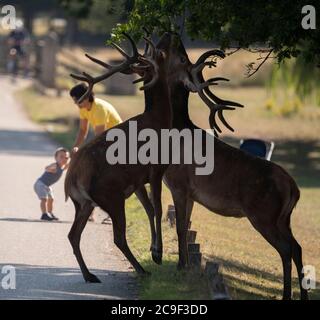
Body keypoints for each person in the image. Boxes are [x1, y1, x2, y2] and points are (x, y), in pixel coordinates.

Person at [69, 83, 123, 222]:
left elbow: (100, 137)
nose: (75, 103)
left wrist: (85, 152)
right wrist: (76, 148)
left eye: (77, 100)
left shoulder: (99, 109)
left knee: (107, 179)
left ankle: (111, 214)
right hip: (106, 144)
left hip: (117, 143)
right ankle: (89, 211)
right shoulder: (84, 108)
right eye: (74, 100)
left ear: (86, 97)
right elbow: (82, 131)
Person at [34, 148, 70, 221]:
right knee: (44, 199)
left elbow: (67, 166)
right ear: (56, 158)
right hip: (40, 184)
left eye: (66, 157)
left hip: (47, 186)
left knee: (51, 199)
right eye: (61, 157)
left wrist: (74, 156)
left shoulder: (61, 167)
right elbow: (47, 168)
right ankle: (44, 214)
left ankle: (50, 213)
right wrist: (49, 168)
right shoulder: (55, 165)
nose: (64, 159)